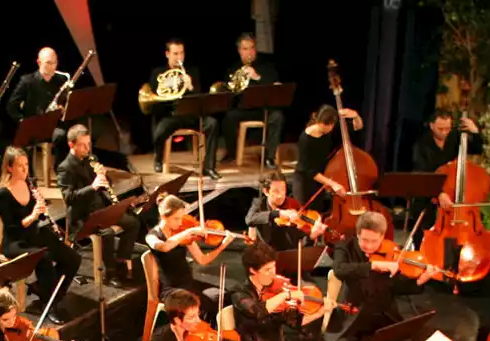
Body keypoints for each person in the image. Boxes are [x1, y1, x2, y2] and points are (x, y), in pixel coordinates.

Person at [328, 211, 432, 341]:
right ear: (357, 234)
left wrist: (420, 281)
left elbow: (398, 286)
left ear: (383, 237)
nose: (368, 245)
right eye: (364, 239)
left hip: (384, 312)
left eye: (374, 241)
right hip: (353, 313)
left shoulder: (392, 252)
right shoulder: (346, 247)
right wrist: (372, 265)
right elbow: (339, 270)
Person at [0, 146, 82, 317]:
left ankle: (47, 294)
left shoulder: (29, 183)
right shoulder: (2, 194)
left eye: (26, 164)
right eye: (20, 166)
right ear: (9, 168)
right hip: (15, 242)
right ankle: (49, 306)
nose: (25, 169)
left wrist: (41, 211)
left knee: (73, 258)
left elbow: (40, 219)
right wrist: (34, 215)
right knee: (44, 257)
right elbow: (13, 228)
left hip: (34, 233)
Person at [57, 124, 141, 284]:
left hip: (101, 210)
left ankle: (121, 261)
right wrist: (93, 186)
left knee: (133, 222)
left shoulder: (91, 160)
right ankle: (110, 273)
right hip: (82, 217)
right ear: (71, 145)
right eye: (83, 145)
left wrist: (104, 176)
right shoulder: (64, 168)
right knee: (107, 233)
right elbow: (69, 198)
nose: (87, 148)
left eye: (89, 144)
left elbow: (104, 184)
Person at [145, 194, 234, 316]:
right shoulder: (152, 236)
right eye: (176, 219)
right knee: (205, 306)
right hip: (171, 290)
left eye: (182, 218)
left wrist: (222, 246)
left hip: (189, 283)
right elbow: (165, 247)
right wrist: (189, 231)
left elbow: (202, 259)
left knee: (224, 297)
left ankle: (213, 334)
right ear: (163, 216)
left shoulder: (183, 232)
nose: (180, 222)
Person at [146, 39, 220, 179]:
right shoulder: (158, 73)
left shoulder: (192, 72)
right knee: (160, 130)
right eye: (175, 53)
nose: (179, 57)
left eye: (181, 53)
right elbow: (154, 100)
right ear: (167, 54)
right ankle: (159, 158)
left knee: (212, 123)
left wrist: (190, 86)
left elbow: (200, 98)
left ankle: (209, 167)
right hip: (169, 115)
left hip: (190, 114)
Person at [219, 33, 286, 168]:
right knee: (229, 117)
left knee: (277, 117)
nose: (249, 52)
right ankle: (232, 153)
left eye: (252, 48)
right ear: (239, 51)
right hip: (244, 110)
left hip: (264, 109)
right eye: (245, 49)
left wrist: (257, 77)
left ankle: (269, 157)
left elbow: (275, 86)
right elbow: (227, 93)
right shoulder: (233, 69)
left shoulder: (266, 66)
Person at [292, 104, 362, 209]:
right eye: (323, 126)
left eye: (329, 126)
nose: (326, 129)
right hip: (305, 180)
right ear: (318, 121)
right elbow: (311, 171)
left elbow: (357, 127)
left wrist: (356, 116)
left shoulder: (332, 128)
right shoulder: (306, 140)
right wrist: (333, 184)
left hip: (321, 178)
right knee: (306, 213)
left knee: (319, 212)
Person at [6, 47, 69, 152]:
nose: (52, 67)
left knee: (63, 135)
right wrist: (22, 122)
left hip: (52, 125)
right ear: (39, 62)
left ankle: (54, 166)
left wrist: (62, 109)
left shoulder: (61, 80)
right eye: (48, 63)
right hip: (32, 127)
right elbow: (11, 106)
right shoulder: (27, 81)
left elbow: (65, 102)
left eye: (55, 63)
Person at [245, 170, 326, 252]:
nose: (280, 195)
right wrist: (278, 213)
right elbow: (250, 219)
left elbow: (299, 246)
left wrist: (312, 236)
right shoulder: (259, 204)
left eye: (283, 190)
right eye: (276, 191)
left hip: (289, 254)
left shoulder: (293, 205)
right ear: (266, 192)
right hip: (267, 254)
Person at [410, 110, 483, 191]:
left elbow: (477, 150)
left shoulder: (454, 136)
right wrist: (440, 193)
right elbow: (421, 175)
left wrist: (475, 132)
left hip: (451, 189)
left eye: (447, 128)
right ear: (432, 126)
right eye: (440, 129)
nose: (444, 132)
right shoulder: (421, 145)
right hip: (429, 191)